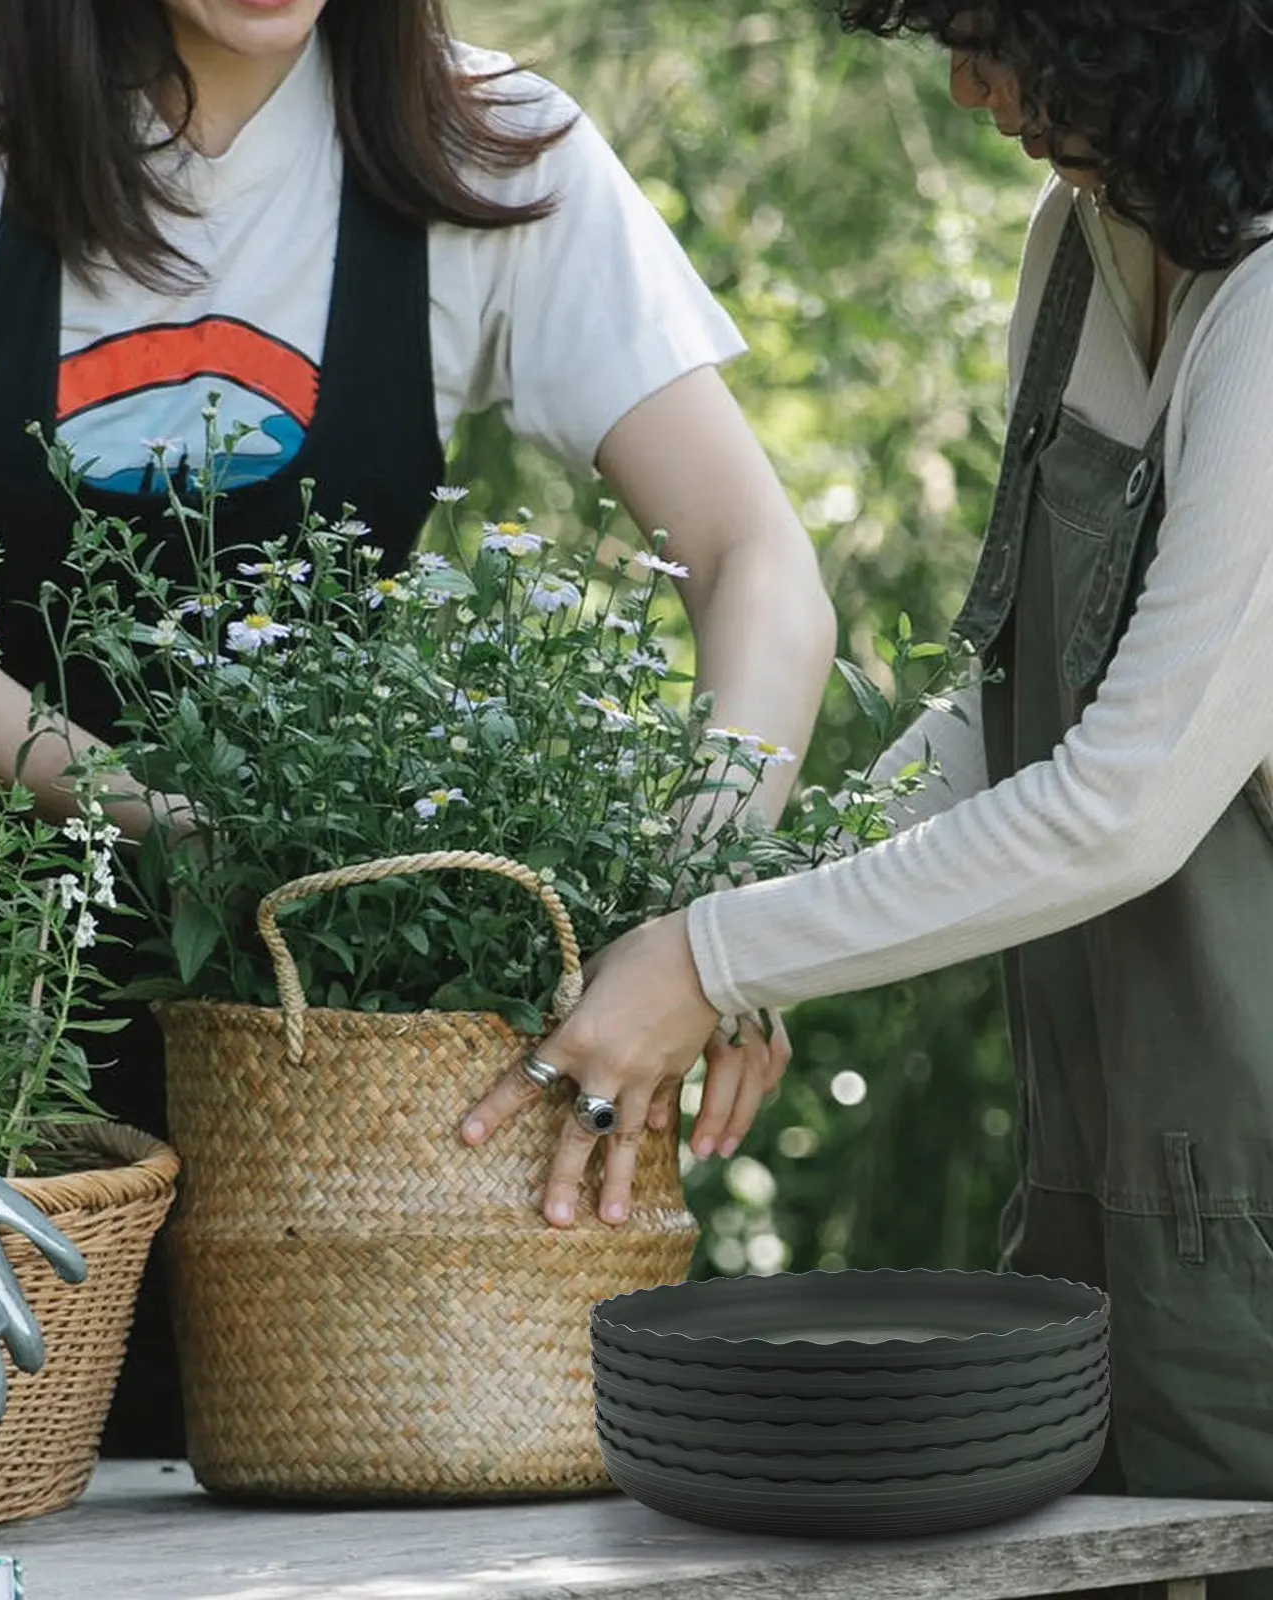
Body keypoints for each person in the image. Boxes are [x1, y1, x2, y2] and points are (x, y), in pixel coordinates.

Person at [0, 0, 835, 1457]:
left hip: (296, 1055)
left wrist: (696, 910)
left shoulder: (480, 142)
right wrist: (193, 839)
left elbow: (760, 561)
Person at [469, 3, 1273, 1589]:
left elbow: (1125, 802)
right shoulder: (1084, 240)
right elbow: (1009, 705)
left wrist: (720, 960)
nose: (973, 87)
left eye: (1008, 38)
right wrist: (762, 927)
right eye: (949, 36)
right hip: (1125, 1193)